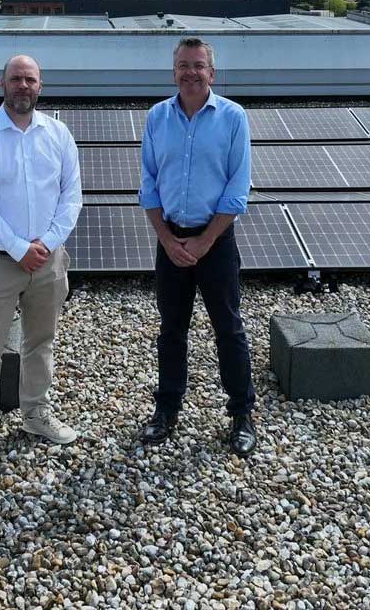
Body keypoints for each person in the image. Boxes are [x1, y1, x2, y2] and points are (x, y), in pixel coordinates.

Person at [0, 54, 82, 465]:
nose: (23, 86)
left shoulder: (59, 135)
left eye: (30, 79)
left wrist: (44, 245)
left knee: (40, 342)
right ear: (2, 84)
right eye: (16, 79)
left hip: (48, 260)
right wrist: (18, 249)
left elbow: (71, 198)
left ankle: (35, 413)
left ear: (40, 86)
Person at [136, 36, 256, 457]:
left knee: (229, 329)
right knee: (171, 331)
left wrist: (205, 242)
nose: (191, 72)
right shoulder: (156, 117)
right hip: (170, 240)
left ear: (212, 73)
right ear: (174, 73)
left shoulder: (233, 118)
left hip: (216, 242)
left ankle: (241, 414)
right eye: (183, 65)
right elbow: (148, 185)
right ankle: (166, 410)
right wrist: (167, 240)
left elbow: (237, 189)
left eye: (198, 65)